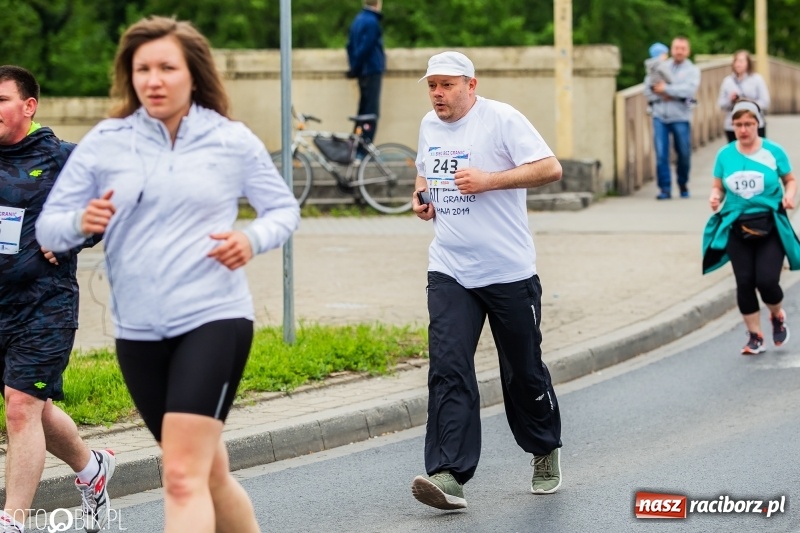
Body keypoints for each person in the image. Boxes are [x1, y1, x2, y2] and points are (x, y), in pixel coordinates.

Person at [36, 16, 300, 533]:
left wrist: (250, 239)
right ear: (128, 76)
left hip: (214, 317)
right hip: (138, 329)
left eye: (166, 67)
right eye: (142, 69)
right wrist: (79, 222)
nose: (153, 80)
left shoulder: (229, 139)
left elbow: (282, 211)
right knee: (209, 471)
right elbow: (48, 228)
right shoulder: (107, 141)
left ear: (193, 74)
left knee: (180, 474)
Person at [409, 51, 563, 511]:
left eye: (447, 85)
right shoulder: (428, 125)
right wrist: (420, 197)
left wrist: (490, 180)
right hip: (450, 268)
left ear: (470, 85)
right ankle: (449, 474)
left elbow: (550, 168)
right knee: (448, 368)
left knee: (522, 371)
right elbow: (423, 170)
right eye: (432, 85)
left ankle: (544, 447)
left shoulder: (502, 119)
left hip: (508, 271)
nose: (438, 93)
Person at [0, 65, 114, 533]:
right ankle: (93, 469)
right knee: (37, 407)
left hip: (44, 306)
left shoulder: (64, 158)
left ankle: (13, 521)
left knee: (20, 407)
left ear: (29, 106)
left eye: (1, 100)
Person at [702, 99, 799, 355]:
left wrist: (790, 196)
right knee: (744, 281)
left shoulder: (773, 151)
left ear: (758, 124)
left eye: (749, 124)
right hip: (737, 225)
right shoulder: (725, 155)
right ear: (732, 126)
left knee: (767, 281)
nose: (743, 130)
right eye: (738, 124)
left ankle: (777, 315)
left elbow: (790, 179)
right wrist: (715, 197)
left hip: (769, 224)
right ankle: (755, 336)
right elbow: (718, 186)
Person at [644, 36, 701, 200]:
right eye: (676, 48)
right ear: (671, 49)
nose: (679, 51)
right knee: (661, 153)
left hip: (681, 116)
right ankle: (665, 188)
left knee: (683, 153)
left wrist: (666, 90)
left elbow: (689, 91)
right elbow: (648, 89)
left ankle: (683, 183)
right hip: (660, 115)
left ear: (688, 51)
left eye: (683, 48)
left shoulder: (692, 70)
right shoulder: (659, 65)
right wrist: (666, 92)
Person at [346, 0, 385, 156]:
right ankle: (364, 150)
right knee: (371, 112)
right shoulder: (372, 21)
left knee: (363, 111)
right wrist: (357, 66)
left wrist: (354, 67)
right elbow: (366, 47)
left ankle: (356, 148)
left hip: (362, 71)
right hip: (371, 70)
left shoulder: (358, 19)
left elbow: (350, 46)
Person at [718, 50, 770, 142]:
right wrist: (730, 100)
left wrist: (747, 102)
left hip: (755, 124)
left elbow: (765, 102)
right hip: (732, 125)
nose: (738, 64)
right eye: (736, 61)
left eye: (741, 61)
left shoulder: (757, 79)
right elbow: (721, 104)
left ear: (748, 63)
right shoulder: (728, 81)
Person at [644, 42, 672, 116]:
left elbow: (647, 87)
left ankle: (650, 105)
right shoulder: (661, 65)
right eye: (665, 54)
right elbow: (667, 75)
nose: (667, 57)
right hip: (662, 85)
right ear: (660, 54)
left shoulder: (650, 66)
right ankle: (688, 101)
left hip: (653, 86)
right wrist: (671, 81)